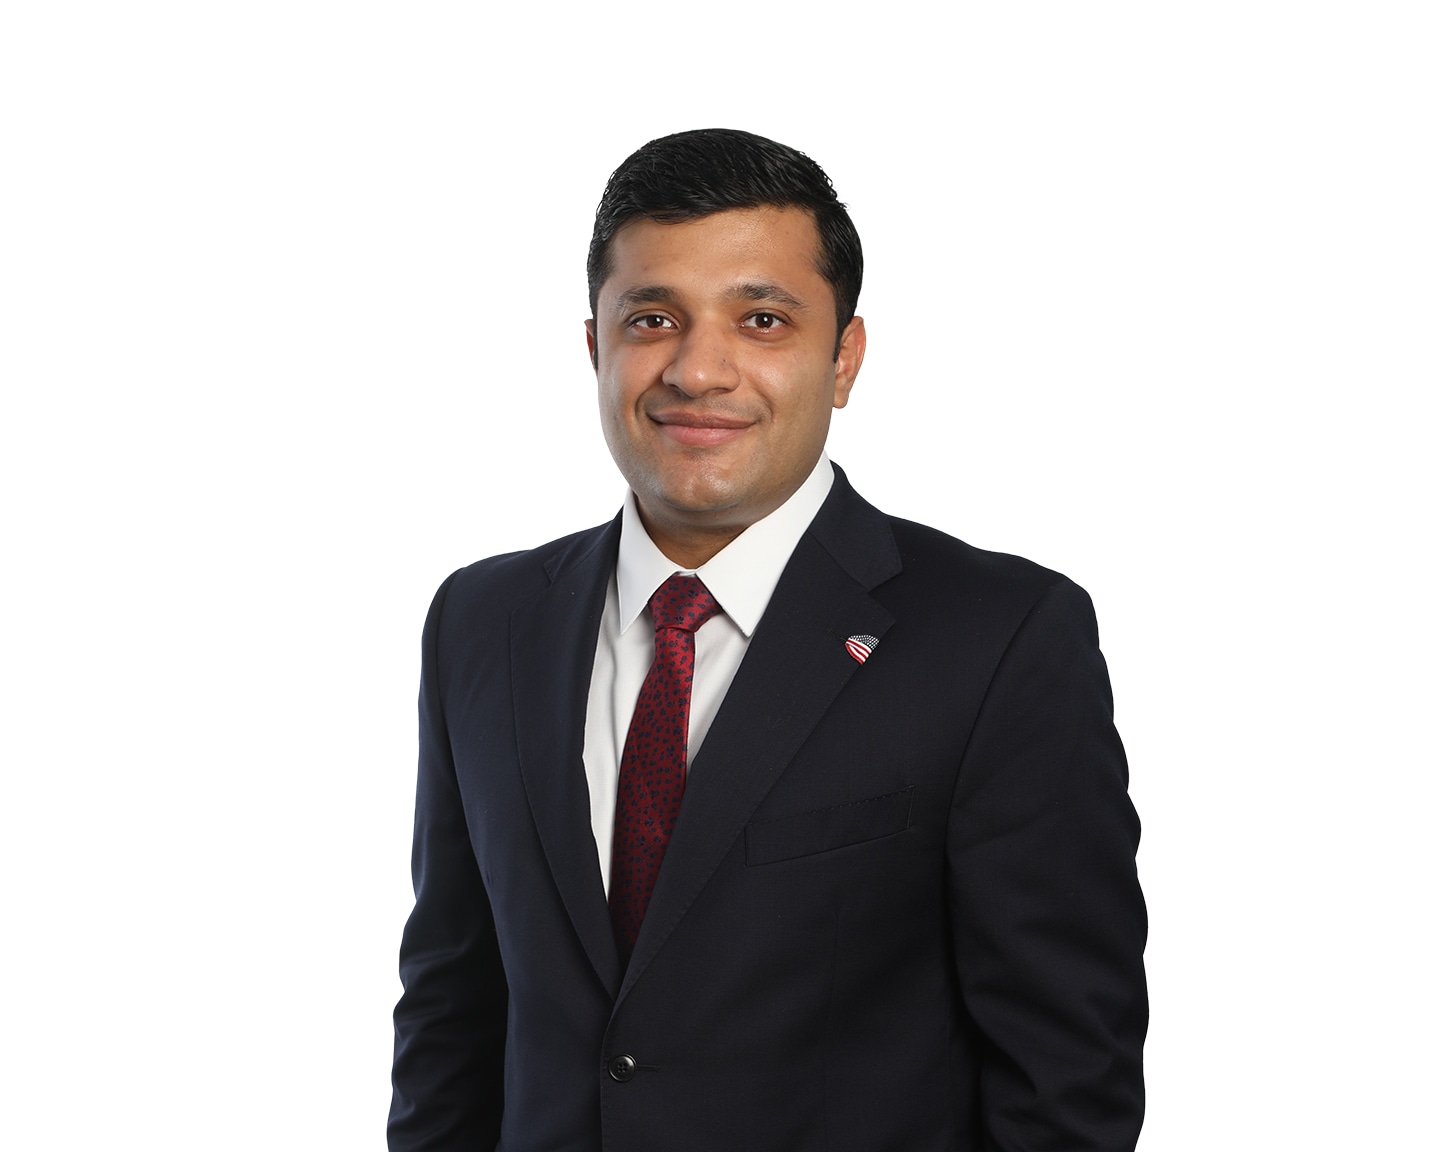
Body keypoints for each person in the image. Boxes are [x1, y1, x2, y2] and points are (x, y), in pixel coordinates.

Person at [389, 128, 1147, 1151]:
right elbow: (452, 1016)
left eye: (762, 319)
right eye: (652, 318)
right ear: (595, 347)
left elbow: (1068, 1080)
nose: (699, 369)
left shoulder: (1000, 639)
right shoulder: (482, 623)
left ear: (844, 359)